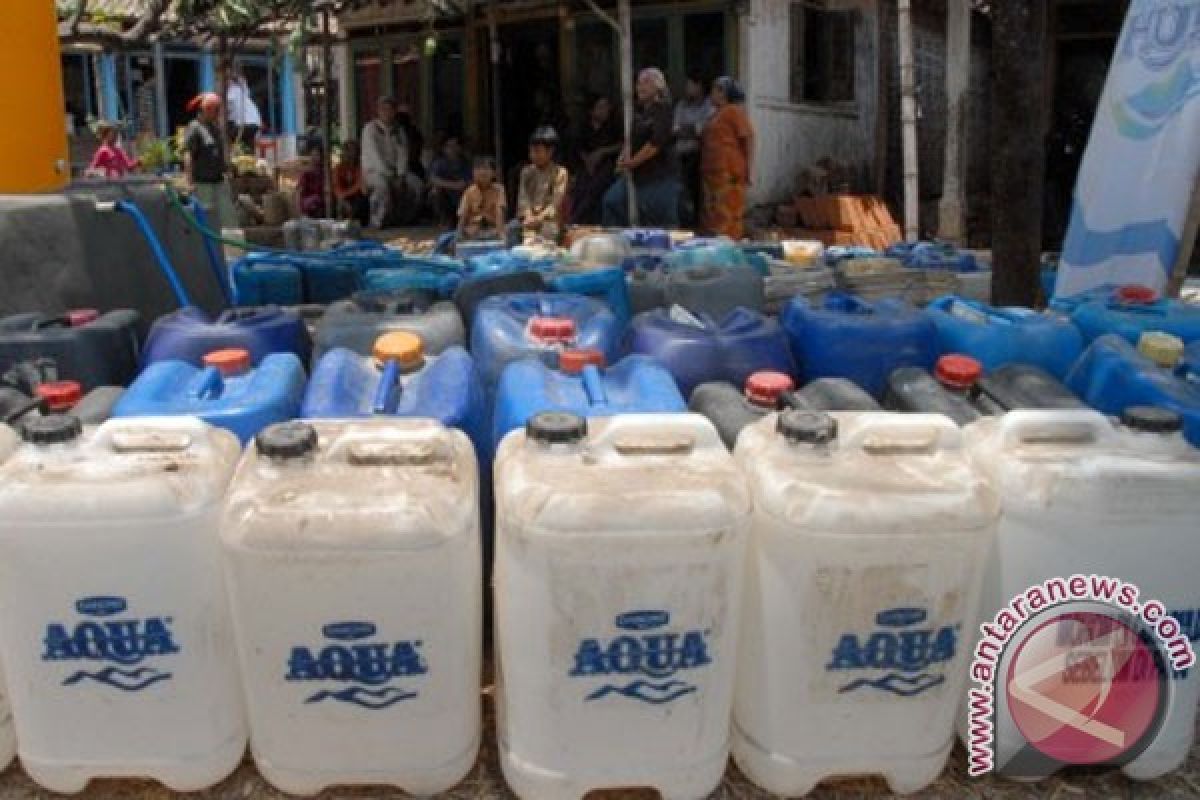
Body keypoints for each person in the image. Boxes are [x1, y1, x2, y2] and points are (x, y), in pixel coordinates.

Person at [602, 67, 681, 228]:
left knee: (658, 219)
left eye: (646, 83)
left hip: (659, 175)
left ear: (658, 87)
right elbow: (630, 139)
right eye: (638, 83)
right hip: (636, 175)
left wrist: (633, 162)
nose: (640, 87)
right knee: (612, 201)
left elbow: (655, 143)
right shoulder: (639, 112)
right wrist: (622, 159)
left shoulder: (663, 109)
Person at [701, 76, 755, 240]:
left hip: (729, 171)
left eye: (714, 90)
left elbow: (748, 137)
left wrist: (750, 169)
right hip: (712, 172)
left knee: (728, 212)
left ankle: (730, 243)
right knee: (712, 211)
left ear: (723, 93)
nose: (711, 94)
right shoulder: (715, 115)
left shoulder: (733, 111)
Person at [361, 95, 422, 228]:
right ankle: (377, 221)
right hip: (374, 171)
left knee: (417, 185)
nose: (387, 113)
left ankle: (404, 219)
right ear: (379, 111)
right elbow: (374, 155)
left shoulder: (399, 130)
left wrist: (400, 174)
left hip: (396, 171)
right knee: (382, 187)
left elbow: (403, 154)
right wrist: (389, 175)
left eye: (390, 109)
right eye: (384, 109)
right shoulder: (370, 129)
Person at [183, 92, 237, 231]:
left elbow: (220, 152)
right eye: (216, 110)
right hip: (203, 184)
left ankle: (231, 250)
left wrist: (227, 169)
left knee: (229, 219)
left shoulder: (214, 128)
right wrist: (189, 182)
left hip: (218, 181)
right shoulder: (194, 128)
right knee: (207, 220)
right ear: (206, 110)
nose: (218, 113)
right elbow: (188, 154)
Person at [569, 95, 622, 225]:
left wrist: (602, 152)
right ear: (591, 111)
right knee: (580, 188)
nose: (605, 111)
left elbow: (621, 144)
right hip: (588, 165)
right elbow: (578, 146)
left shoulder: (613, 126)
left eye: (606, 107)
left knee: (594, 189)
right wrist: (588, 160)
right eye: (600, 107)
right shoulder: (584, 127)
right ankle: (576, 220)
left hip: (609, 165)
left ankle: (577, 220)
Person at [513, 126, 569, 244]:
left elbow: (555, 203)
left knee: (546, 234)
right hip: (528, 218)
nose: (533, 155)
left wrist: (538, 219)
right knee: (511, 229)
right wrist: (528, 216)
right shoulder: (526, 172)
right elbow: (523, 199)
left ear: (550, 151)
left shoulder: (560, 172)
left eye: (537, 151)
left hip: (549, 220)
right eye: (531, 151)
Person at [674, 73, 714, 227]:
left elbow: (704, 131)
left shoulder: (708, 106)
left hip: (698, 156)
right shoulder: (681, 105)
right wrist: (692, 130)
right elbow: (675, 130)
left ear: (700, 87)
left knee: (696, 193)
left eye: (691, 85)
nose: (687, 89)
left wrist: (689, 130)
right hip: (680, 156)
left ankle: (697, 224)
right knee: (682, 193)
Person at [457, 155, 506, 241]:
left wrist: (501, 234)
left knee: (512, 229)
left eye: (486, 169)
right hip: (473, 230)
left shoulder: (499, 190)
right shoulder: (469, 191)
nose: (482, 172)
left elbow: (499, 213)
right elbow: (463, 215)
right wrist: (459, 235)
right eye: (478, 169)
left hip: (492, 229)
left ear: (493, 173)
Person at [429, 134, 472, 226]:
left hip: (461, 195)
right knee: (435, 191)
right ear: (444, 149)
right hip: (447, 195)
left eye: (455, 146)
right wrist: (453, 185)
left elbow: (470, 179)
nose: (452, 149)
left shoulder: (464, 163)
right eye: (449, 146)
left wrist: (463, 185)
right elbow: (433, 179)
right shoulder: (440, 163)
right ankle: (443, 219)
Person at [225, 65, 263, 151]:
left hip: (244, 125)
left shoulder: (229, 95)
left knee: (225, 138)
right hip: (255, 124)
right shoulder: (242, 90)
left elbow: (228, 115)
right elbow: (241, 80)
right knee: (248, 148)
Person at [333, 140, 369, 225]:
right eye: (349, 150)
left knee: (361, 200)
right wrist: (344, 198)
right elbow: (337, 188)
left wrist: (349, 193)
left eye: (354, 151)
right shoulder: (338, 168)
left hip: (356, 197)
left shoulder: (360, 167)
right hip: (342, 198)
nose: (352, 154)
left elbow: (360, 184)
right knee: (341, 204)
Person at [395, 103, 427, 183]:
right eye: (399, 116)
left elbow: (415, 153)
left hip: (413, 168)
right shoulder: (393, 132)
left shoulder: (414, 133)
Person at [296, 142, 326, 218]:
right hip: (309, 203)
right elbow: (300, 191)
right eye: (312, 155)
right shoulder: (306, 173)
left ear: (322, 157)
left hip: (323, 202)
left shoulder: (325, 172)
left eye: (316, 155)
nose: (314, 158)